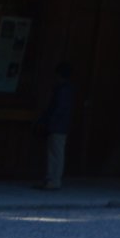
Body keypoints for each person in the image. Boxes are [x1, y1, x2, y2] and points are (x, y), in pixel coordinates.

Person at [37, 63, 74, 191]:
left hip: (58, 125)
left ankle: (53, 180)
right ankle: (51, 179)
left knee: (56, 153)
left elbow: (58, 108)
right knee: (55, 153)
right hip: (60, 124)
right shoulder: (65, 89)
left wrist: (49, 122)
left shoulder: (63, 90)